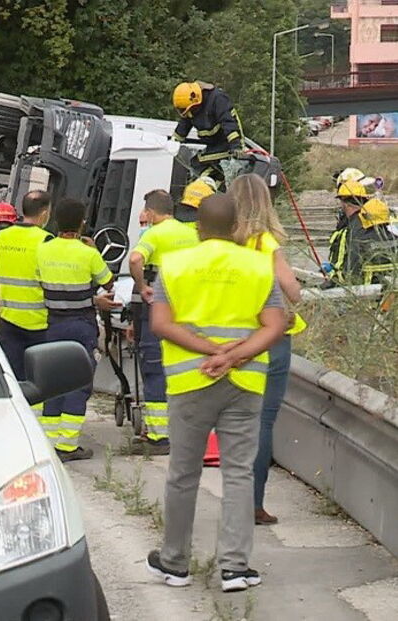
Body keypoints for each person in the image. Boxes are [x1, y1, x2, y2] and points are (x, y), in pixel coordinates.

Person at [145, 193, 287, 593]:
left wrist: (211, 351)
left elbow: (160, 323)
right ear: (236, 227)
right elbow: (274, 325)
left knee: (182, 474)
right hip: (243, 384)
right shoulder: (259, 267)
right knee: (239, 473)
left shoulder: (174, 266)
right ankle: (235, 568)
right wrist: (234, 355)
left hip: (190, 383)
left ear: (198, 228)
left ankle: (174, 563)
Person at [230, 174, 305, 526]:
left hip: (232, 339)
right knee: (262, 423)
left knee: (234, 421)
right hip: (269, 339)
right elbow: (292, 290)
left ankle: (233, 498)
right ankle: (253, 504)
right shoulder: (264, 243)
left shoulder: (223, 241)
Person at [37, 198, 120, 462]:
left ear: (55, 221)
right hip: (81, 325)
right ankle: (68, 445)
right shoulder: (88, 254)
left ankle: (49, 443)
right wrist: (93, 249)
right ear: (82, 223)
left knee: (52, 383)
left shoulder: (44, 250)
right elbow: (108, 283)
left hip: (52, 324)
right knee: (78, 383)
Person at [127, 190, 200, 455]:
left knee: (155, 367)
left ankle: (158, 437)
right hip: (189, 311)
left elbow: (135, 259)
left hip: (160, 309)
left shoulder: (154, 234)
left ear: (151, 211)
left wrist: (142, 285)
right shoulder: (193, 235)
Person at [0, 191, 53, 380]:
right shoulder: (46, 240)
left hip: (8, 318)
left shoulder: (2, 236)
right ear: (44, 214)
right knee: (38, 380)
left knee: (12, 378)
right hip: (38, 322)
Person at [172, 81, 244, 187]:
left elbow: (229, 124)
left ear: (196, 101)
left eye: (191, 109)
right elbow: (182, 127)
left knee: (199, 162)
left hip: (228, 144)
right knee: (199, 164)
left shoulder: (218, 100)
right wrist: (172, 144)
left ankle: (218, 188)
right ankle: (215, 187)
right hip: (213, 146)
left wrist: (236, 148)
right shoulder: (191, 108)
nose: (190, 114)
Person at [327, 180, 397, 284]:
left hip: (366, 290)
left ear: (345, 203)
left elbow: (349, 272)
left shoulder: (352, 230)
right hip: (390, 285)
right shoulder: (384, 222)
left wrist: (332, 281)